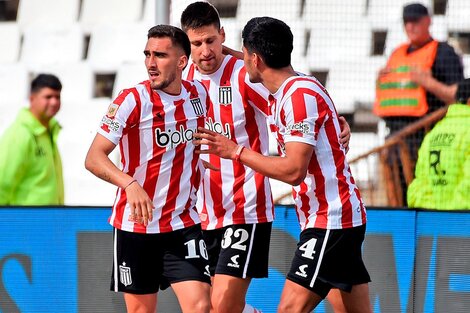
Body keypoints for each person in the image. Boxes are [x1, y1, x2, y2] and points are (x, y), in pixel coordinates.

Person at [180, 3, 351, 313]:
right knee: (205, 309)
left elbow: (292, 91)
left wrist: (332, 120)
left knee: (221, 306)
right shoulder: (184, 78)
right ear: (186, 44)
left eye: (210, 41)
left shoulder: (245, 76)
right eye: (196, 43)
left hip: (245, 207)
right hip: (202, 211)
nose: (205, 51)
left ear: (222, 36)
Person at [84, 25, 211, 313]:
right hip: (136, 226)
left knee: (202, 306)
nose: (151, 63)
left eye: (160, 55)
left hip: (182, 224)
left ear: (182, 62)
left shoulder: (199, 95)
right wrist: (129, 184)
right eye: (147, 54)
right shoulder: (132, 100)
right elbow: (94, 157)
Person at [374, 2, 464, 204]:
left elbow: (460, 97)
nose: (410, 27)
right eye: (406, 22)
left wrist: (428, 82)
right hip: (394, 140)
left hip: (426, 138)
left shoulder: (443, 53)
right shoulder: (397, 54)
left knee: (422, 195)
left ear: (428, 21)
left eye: (415, 21)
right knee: (397, 198)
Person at [0, 74, 64, 205]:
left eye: (57, 97)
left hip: (48, 221)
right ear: (32, 98)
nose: (54, 102)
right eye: (48, 97)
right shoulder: (19, 134)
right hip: (25, 222)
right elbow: (2, 183)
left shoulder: (49, 131)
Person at [408, 78, 470, 210]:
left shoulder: (433, 133)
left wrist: (438, 212)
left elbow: (420, 184)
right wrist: (455, 210)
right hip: (463, 221)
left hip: (434, 221)